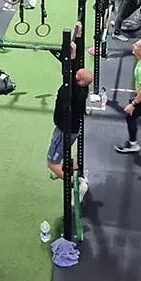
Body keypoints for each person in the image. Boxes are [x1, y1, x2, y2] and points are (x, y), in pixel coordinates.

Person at [46, 67, 94, 201]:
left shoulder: (74, 91)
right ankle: (78, 172)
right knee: (64, 154)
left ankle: (77, 184)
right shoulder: (81, 88)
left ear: (82, 82)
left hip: (64, 132)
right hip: (71, 129)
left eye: (77, 77)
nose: (74, 77)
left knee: (52, 164)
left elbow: (69, 77)